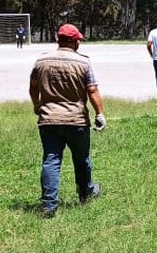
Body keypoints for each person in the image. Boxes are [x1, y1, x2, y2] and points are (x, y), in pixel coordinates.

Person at [30, 24, 106, 217]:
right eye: (78, 40)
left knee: (51, 160)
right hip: (76, 120)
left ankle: (48, 205)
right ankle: (85, 193)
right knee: (81, 159)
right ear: (73, 41)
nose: (79, 42)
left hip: (49, 120)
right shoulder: (83, 62)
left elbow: (33, 87)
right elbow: (92, 90)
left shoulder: (41, 61)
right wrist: (100, 114)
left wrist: (37, 105)